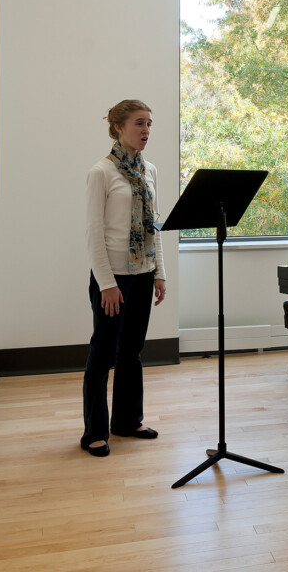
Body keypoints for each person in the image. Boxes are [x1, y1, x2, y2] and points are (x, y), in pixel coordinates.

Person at [81, 100, 167, 457]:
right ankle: (94, 432)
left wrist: (159, 272)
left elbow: (154, 226)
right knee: (103, 353)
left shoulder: (150, 171)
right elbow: (94, 233)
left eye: (149, 124)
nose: (146, 131)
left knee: (131, 351)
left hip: (143, 274)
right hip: (113, 279)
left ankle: (127, 421)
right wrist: (107, 284)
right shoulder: (101, 172)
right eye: (139, 123)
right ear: (118, 128)